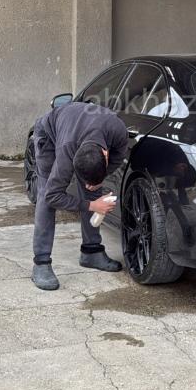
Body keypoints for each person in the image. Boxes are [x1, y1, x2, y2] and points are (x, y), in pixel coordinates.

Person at [31, 100, 129, 291]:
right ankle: (41, 263)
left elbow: (118, 157)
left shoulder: (118, 130)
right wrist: (92, 206)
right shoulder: (67, 150)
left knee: (93, 191)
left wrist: (101, 179)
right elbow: (53, 196)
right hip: (49, 134)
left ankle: (91, 252)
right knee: (46, 197)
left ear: (105, 153)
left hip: (80, 128)